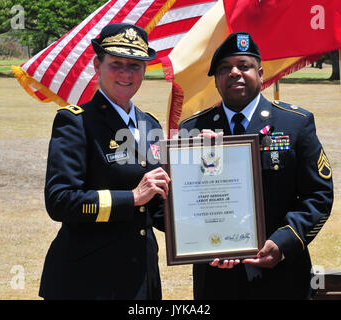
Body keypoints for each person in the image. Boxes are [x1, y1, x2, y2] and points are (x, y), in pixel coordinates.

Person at [179, 32, 333, 299]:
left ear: (261, 74)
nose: (235, 73)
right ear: (216, 81)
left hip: (283, 276)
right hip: (217, 279)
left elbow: (318, 195)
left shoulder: (295, 123)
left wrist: (283, 242)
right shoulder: (192, 131)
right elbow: (182, 203)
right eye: (225, 69)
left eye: (244, 66)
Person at [39, 23, 170, 300]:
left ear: (145, 70)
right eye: (116, 64)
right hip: (89, 279)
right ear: (98, 66)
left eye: (135, 65)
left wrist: (212, 237)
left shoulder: (150, 124)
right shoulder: (76, 122)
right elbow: (60, 201)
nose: (126, 73)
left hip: (141, 278)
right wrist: (131, 198)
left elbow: (158, 209)